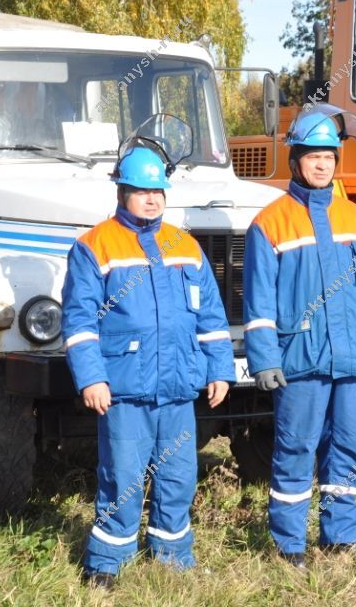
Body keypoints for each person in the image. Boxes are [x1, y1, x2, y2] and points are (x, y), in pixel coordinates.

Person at [61, 144, 233, 589]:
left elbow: (211, 317)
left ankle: (172, 556)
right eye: (142, 191)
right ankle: (106, 564)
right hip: (125, 388)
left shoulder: (186, 246)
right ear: (122, 191)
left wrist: (219, 369)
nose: (152, 199)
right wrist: (92, 377)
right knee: (122, 477)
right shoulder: (93, 246)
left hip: (177, 387)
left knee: (178, 476)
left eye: (158, 190)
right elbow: (79, 321)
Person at [243, 103, 356, 569]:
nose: (321, 164)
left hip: (350, 357)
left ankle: (341, 537)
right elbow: (259, 304)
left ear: (338, 162)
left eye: (329, 157)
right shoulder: (269, 223)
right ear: (295, 159)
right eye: (313, 155)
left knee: (348, 447)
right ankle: (289, 544)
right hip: (300, 359)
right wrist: (265, 358)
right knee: (295, 446)